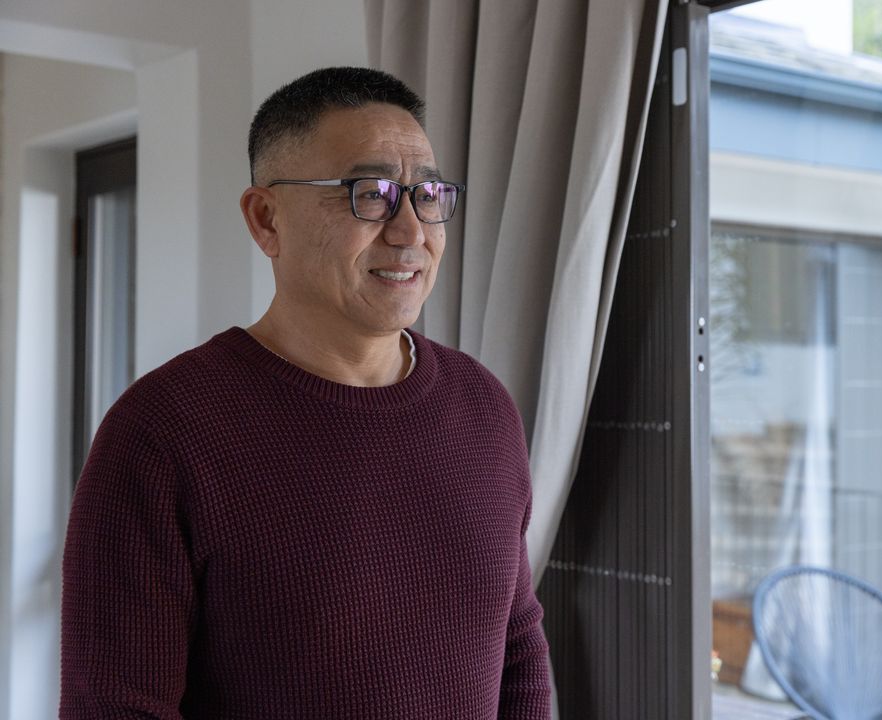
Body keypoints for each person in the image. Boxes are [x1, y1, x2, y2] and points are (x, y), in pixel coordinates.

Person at [60, 66, 551, 719]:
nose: (411, 232)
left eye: (427, 193)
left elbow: (517, 651)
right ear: (266, 219)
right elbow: (116, 707)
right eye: (369, 193)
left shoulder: (483, 407)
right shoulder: (164, 432)